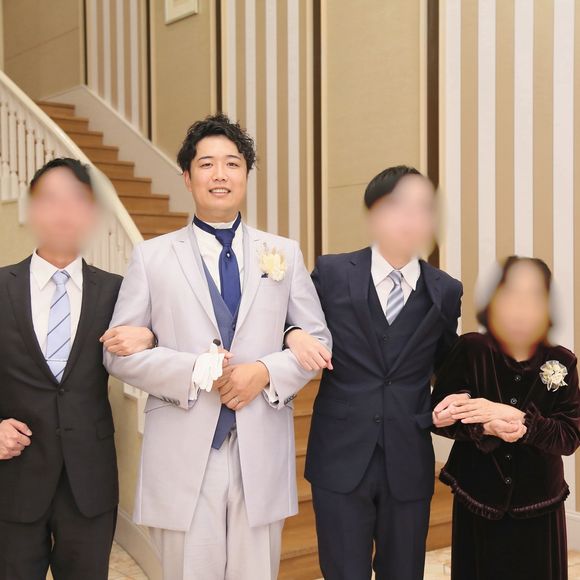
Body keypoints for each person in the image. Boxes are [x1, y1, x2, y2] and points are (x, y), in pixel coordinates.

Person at [103, 114, 331, 580]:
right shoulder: (152, 257)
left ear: (246, 175)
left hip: (259, 445)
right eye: (206, 164)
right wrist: (192, 370)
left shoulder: (283, 253)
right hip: (185, 447)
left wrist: (264, 372)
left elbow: (318, 341)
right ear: (187, 178)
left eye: (232, 163)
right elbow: (117, 352)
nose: (220, 175)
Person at [285, 165, 465, 579]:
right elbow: (285, 321)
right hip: (339, 455)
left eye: (422, 208)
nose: (410, 218)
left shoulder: (445, 290)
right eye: (398, 206)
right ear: (374, 213)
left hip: (408, 457)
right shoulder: (332, 273)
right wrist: (292, 333)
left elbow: (448, 367)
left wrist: (457, 401)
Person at [0, 158, 154, 580]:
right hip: (13, 478)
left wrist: (149, 337)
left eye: (76, 200)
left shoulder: (117, 290)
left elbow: (159, 342)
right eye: (50, 199)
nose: (63, 211)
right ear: (31, 209)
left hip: (90, 480)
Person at [431, 256, 580, 580]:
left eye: (533, 294)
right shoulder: (471, 349)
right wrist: (484, 424)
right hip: (478, 495)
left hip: (539, 500)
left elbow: (569, 437)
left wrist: (518, 419)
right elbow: (438, 416)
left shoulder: (562, 361)